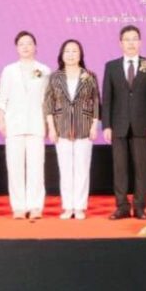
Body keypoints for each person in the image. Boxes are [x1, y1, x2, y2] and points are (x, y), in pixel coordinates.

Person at [102, 25, 146, 220]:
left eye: (134, 39)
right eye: (127, 39)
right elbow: (107, 98)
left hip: (142, 125)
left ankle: (140, 206)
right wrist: (106, 125)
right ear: (120, 43)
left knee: (141, 169)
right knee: (120, 169)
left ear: (140, 42)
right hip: (118, 125)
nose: (131, 43)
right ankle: (122, 207)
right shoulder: (111, 66)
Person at [0, 31, 50, 220]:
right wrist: (1, 120)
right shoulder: (9, 70)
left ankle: (35, 206)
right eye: (21, 44)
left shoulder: (44, 70)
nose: (25, 47)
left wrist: (48, 123)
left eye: (29, 43)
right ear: (17, 48)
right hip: (14, 124)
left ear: (35, 47)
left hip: (36, 124)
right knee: (15, 167)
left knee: (36, 167)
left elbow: (47, 100)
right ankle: (18, 206)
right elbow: (2, 98)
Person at [44, 39, 100, 220]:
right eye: (67, 51)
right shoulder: (55, 77)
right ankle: (68, 207)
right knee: (65, 169)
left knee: (82, 169)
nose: (70, 54)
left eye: (74, 51)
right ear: (61, 55)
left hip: (84, 127)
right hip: (62, 128)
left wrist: (94, 126)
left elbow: (96, 102)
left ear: (80, 54)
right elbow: (48, 104)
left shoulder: (89, 76)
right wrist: (51, 128)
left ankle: (80, 207)